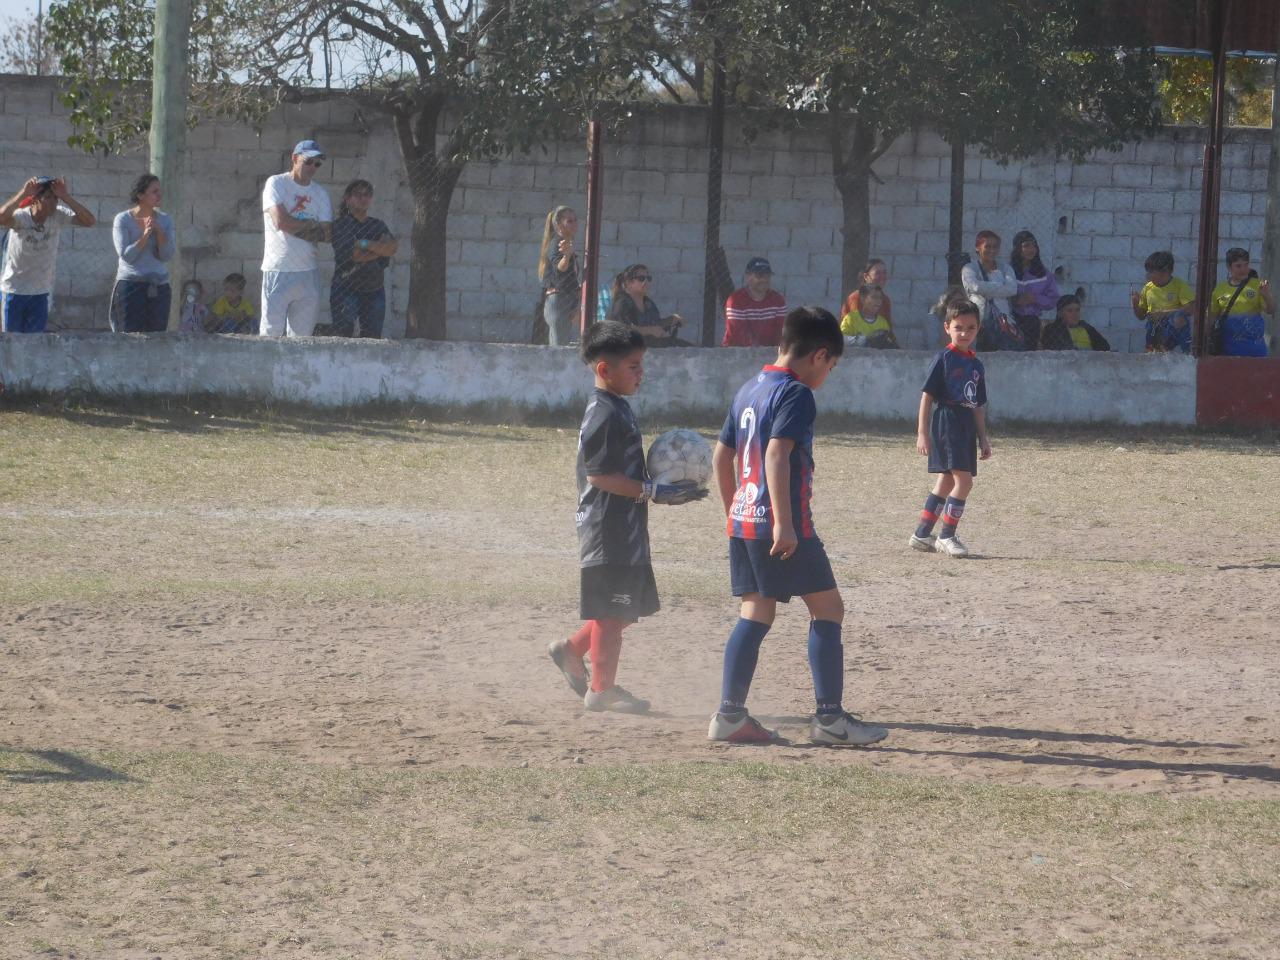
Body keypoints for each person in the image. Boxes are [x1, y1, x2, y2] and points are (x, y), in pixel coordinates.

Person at [707, 306, 888, 748]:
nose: (828, 374)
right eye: (833, 365)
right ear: (820, 355)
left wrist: (736, 512)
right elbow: (775, 454)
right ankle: (830, 720)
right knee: (828, 609)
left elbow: (721, 456)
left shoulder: (750, 388)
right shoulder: (796, 393)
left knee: (756, 612)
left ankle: (730, 716)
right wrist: (784, 525)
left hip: (746, 522)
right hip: (784, 525)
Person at [546, 321, 706, 713]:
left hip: (626, 526)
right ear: (605, 370)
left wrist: (659, 488)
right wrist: (653, 490)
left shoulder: (618, 406)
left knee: (622, 610)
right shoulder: (603, 413)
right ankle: (601, 691)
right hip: (607, 528)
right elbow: (600, 476)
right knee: (611, 613)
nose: (641, 373)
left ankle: (571, 650)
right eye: (633, 366)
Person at [910, 300, 992, 560]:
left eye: (971, 328)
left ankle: (922, 534)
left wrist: (983, 437)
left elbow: (978, 405)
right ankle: (946, 535)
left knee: (946, 480)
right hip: (947, 421)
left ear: (978, 329)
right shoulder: (944, 358)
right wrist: (922, 433)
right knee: (964, 482)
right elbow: (926, 396)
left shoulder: (976, 365)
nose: (965, 333)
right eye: (959, 327)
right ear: (947, 327)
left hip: (966, 423)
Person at [0, 176, 96, 332]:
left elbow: (89, 221)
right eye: (48, 198)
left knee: (35, 343)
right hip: (14, 290)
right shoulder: (21, 217)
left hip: (40, 292)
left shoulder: (58, 215)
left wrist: (66, 197)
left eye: (56, 199)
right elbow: (2, 218)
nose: (53, 203)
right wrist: (23, 194)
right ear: (35, 200)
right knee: (9, 342)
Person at [260, 139, 332, 337]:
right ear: (294, 158)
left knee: (302, 338)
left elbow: (326, 234)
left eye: (317, 164)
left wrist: (294, 225)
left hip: (308, 272)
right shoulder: (276, 183)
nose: (312, 167)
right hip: (278, 269)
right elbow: (280, 222)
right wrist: (310, 225)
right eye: (308, 161)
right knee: (270, 334)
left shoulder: (320, 193)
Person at [329, 179, 397, 338]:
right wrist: (380, 249)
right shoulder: (341, 225)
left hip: (375, 290)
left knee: (372, 339)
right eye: (358, 195)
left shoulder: (377, 224)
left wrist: (364, 243)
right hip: (346, 289)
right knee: (342, 337)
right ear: (348, 199)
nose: (363, 198)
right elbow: (355, 256)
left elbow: (392, 248)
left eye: (367, 195)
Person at [109, 174, 176, 333]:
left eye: (160, 191)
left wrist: (159, 233)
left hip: (159, 286)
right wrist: (145, 235)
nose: (159, 195)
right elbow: (127, 256)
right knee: (128, 337)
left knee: (156, 337)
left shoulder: (165, 220)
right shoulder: (123, 220)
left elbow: (166, 256)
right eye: (154, 191)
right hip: (131, 285)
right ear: (140, 195)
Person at [962, 230, 1024, 351]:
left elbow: (1012, 289)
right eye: (987, 246)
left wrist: (986, 288)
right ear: (978, 247)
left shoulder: (1005, 268)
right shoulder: (969, 268)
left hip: (1003, 321)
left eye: (995, 247)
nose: (992, 250)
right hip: (979, 319)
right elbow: (975, 287)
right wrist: (1000, 285)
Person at [1209, 248, 1274, 357]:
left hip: (1255, 349)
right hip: (1229, 349)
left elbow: (1271, 310)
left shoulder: (1258, 285)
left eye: (1246, 265)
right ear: (1229, 267)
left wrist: (1267, 295)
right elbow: (1212, 316)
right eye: (1238, 266)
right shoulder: (1220, 289)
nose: (1243, 269)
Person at [607, 263, 688, 347]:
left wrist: (671, 320)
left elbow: (654, 325)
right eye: (641, 278)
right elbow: (620, 330)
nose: (646, 282)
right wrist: (648, 330)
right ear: (628, 283)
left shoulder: (648, 303)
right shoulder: (621, 303)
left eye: (648, 278)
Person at [1130, 251, 1194, 353]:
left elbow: (1191, 308)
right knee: (1152, 327)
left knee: (1178, 317)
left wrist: (1164, 314)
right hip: (1156, 327)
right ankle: (1154, 352)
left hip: (1172, 326)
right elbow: (1141, 316)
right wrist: (1135, 304)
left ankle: (1188, 353)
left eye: (1151, 272)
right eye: (1148, 272)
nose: (1148, 276)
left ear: (1165, 272)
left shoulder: (1179, 285)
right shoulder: (1148, 288)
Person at [538, 205, 581, 346]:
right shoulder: (557, 242)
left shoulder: (567, 244)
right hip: (558, 300)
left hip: (568, 298)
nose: (575, 224)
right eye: (569, 221)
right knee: (559, 348)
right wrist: (566, 256)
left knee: (564, 344)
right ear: (558, 225)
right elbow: (560, 267)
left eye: (575, 220)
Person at [1008, 230, 1059, 348]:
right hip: (1011, 319)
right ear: (1017, 249)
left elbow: (1052, 299)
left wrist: (1035, 299)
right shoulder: (1008, 271)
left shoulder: (1043, 274)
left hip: (1032, 322)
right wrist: (1015, 301)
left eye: (1034, 246)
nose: (1031, 249)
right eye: (1026, 246)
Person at [722, 257, 786, 347]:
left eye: (767, 275)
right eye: (759, 275)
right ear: (748, 277)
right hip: (737, 352)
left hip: (768, 351)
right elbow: (740, 334)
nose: (764, 279)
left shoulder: (778, 300)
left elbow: (780, 331)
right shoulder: (736, 300)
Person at [1039, 294, 1110, 351]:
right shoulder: (1052, 329)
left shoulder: (1086, 327)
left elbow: (1105, 346)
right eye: (1070, 311)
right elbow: (1055, 348)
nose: (1075, 314)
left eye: (1077, 310)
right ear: (1060, 313)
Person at [840, 283, 898, 348]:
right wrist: (865, 340)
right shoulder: (851, 318)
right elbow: (841, 340)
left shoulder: (883, 322)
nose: (878, 301)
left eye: (880, 298)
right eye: (874, 297)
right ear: (863, 299)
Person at [841, 258, 893, 324]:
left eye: (884, 272)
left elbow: (888, 328)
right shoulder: (856, 297)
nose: (882, 276)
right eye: (877, 273)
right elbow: (856, 327)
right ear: (866, 276)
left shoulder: (885, 300)